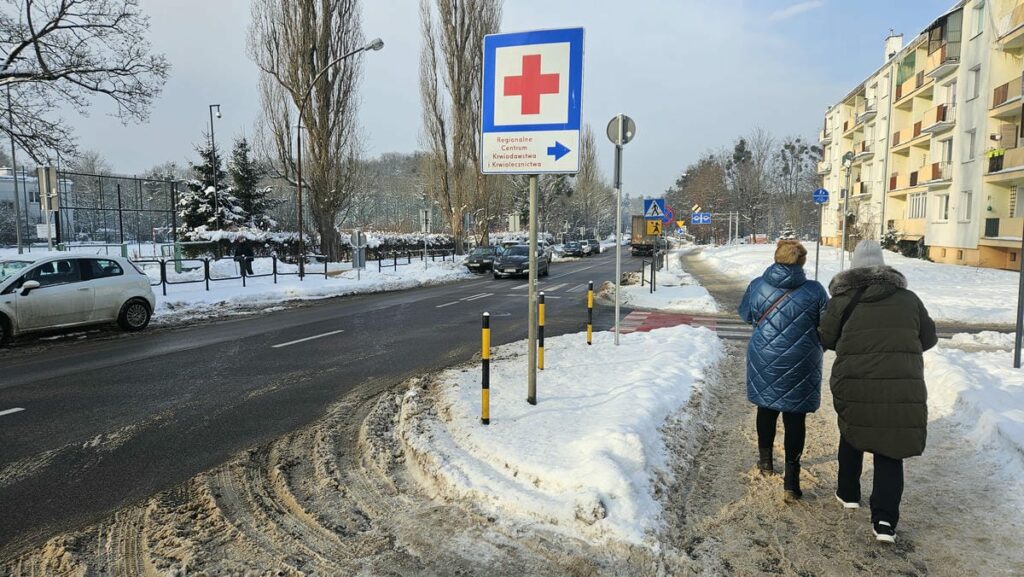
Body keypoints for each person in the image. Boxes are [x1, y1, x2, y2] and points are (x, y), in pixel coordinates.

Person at [819, 240, 936, 544]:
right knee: (890, 450)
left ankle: (848, 493)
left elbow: (826, 339)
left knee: (852, 431)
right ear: (884, 267)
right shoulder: (908, 299)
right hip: (900, 384)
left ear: (855, 267)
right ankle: (884, 520)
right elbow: (929, 337)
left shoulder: (842, 299)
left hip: (854, 381)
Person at [739, 240, 828, 501]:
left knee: (766, 408)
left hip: (764, 354)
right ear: (802, 262)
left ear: (776, 258)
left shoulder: (757, 285)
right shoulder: (815, 290)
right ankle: (791, 481)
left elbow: (747, 315)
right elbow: (827, 323)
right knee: (795, 416)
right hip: (802, 358)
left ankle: (765, 462)